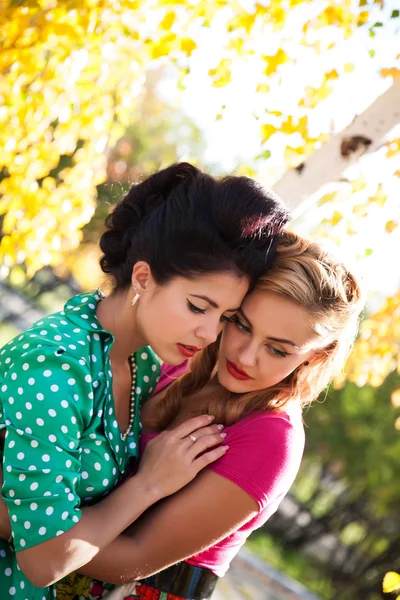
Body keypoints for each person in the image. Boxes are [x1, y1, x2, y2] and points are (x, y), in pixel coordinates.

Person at [0, 162, 289, 600]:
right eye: (198, 307)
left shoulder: (142, 369)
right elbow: (45, 561)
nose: (211, 335)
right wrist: (149, 485)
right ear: (143, 277)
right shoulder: (56, 366)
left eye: (226, 317)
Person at [51, 231, 364, 600]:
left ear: (316, 355)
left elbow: (132, 560)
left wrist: (17, 523)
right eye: (241, 325)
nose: (245, 356)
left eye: (277, 350)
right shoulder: (180, 360)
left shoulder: (270, 439)